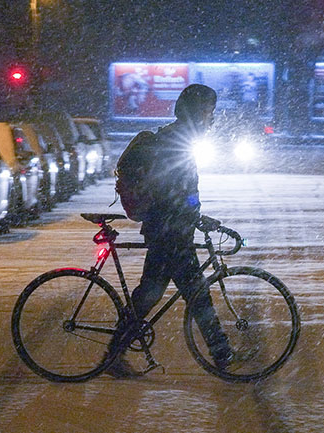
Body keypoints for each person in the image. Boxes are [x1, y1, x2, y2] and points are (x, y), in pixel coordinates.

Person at [105, 84, 234, 378]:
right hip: (170, 232)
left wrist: (195, 214)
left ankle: (114, 353)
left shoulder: (177, 138)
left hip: (168, 229)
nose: (211, 118)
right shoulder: (178, 141)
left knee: (149, 294)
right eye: (208, 111)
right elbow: (177, 190)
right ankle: (222, 353)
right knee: (197, 296)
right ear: (196, 112)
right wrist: (192, 212)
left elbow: (181, 191)